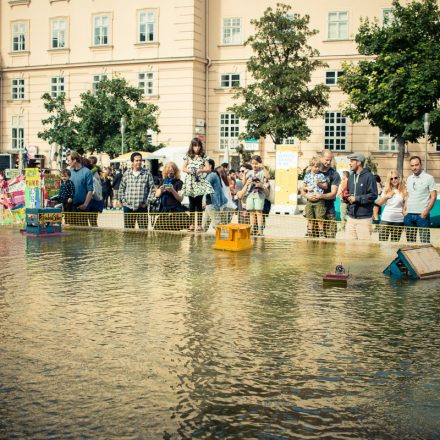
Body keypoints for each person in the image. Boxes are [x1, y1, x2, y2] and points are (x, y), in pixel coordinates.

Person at [306, 150, 341, 238]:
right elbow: (302, 189)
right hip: (314, 211)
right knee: (312, 241)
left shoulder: (334, 174)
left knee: (330, 241)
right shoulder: (311, 172)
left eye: (330, 160)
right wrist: (306, 195)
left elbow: (333, 194)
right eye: (326, 160)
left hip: (329, 211)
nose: (328, 162)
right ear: (321, 158)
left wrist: (321, 196)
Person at [182, 138, 214, 231]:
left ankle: (199, 224)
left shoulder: (203, 156)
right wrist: (191, 171)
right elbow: (183, 168)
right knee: (191, 203)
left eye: (199, 146)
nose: (197, 148)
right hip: (190, 181)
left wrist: (201, 170)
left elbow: (208, 169)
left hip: (199, 181)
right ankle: (191, 224)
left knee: (199, 203)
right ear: (192, 146)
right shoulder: (188, 156)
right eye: (195, 145)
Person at [345, 153, 378, 240]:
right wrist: (346, 198)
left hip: (364, 219)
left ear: (359, 162)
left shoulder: (369, 176)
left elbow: (373, 195)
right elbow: (348, 192)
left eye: (352, 161)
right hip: (350, 218)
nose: (350, 163)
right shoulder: (351, 176)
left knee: (363, 249)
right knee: (349, 249)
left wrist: (357, 198)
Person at [404, 155, 437, 243]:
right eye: (412, 165)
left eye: (416, 165)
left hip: (422, 215)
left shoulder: (429, 178)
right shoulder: (409, 178)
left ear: (421, 165)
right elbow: (408, 195)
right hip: (409, 215)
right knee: (410, 244)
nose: (414, 167)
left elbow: (433, 196)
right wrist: (404, 210)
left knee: (424, 243)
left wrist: (426, 211)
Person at [119, 152, 155, 229]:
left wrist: (147, 202)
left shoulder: (147, 173)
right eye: (137, 160)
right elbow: (121, 188)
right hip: (128, 207)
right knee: (128, 233)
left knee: (143, 232)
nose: (139, 162)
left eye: (140, 160)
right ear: (132, 162)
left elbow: (152, 189)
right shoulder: (126, 174)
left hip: (142, 207)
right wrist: (123, 202)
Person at [154, 161, 189, 231]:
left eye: (171, 173)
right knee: (160, 233)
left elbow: (180, 199)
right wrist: (161, 190)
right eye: (167, 172)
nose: (169, 174)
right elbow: (156, 195)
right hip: (164, 211)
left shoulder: (179, 182)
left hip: (175, 211)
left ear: (175, 172)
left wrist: (172, 190)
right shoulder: (163, 181)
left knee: (175, 234)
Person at [242, 155, 269, 236]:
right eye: (253, 163)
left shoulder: (262, 172)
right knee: (251, 212)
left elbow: (268, 176)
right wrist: (244, 175)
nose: (254, 165)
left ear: (260, 164)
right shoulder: (249, 172)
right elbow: (244, 183)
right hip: (250, 194)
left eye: (256, 163)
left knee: (259, 212)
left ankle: (260, 231)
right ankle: (252, 230)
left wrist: (263, 167)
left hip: (259, 194)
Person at [377, 170, 407, 242]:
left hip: (398, 221)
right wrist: (387, 196)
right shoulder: (386, 190)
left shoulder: (404, 190)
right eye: (391, 178)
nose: (394, 180)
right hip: (385, 220)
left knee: (394, 245)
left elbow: (405, 207)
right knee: (382, 244)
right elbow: (380, 203)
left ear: (399, 178)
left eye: (395, 178)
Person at [301, 156, 328, 237]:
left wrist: (319, 184)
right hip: (310, 199)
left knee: (320, 216)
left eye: (318, 167)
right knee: (309, 216)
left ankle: (321, 231)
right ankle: (309, 231)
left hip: (319, 200)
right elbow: (303, 187)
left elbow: (326, 186)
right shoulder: (307, 176)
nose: (317, 168)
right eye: (315, 167)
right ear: (311, 166)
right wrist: (306, 188)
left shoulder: (321, 175)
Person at [67, 151, 94, 226]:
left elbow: (90, 190)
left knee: (83, 231)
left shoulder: (87, 172)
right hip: (71, 206)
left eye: (69, 160)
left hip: (82, 206)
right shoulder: (70, 172)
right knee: (71, 231)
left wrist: (85, 204)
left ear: (74, 160)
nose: (67, 162)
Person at [202, 159, 227, 231]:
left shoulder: (212, 174)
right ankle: (200, 240)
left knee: (217, 224)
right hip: (210, 203)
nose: (203, 167)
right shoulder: (212, 174)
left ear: (210, 166)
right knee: (204, 225)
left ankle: (223, 240)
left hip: (212, 203)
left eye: (204, 165)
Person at [86, 156, 104, 227]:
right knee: (92, 220)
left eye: (89, 162)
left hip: (93, 199)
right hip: (94, 198)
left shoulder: (93, 171)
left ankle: (94, 234)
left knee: (93, 220)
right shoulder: (96, 170)